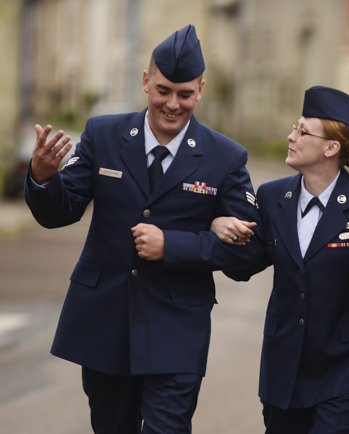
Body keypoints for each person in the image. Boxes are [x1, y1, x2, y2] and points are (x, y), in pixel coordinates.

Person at [24, 25, 262, 434]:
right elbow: (59, 212)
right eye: (164, 90)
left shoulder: (225, 157)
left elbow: (247, 254)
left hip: (177, 329)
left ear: (200, 90)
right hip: (104, 323)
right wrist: (43, 178)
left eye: (185, 94)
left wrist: (175, 245)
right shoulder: (104, 135)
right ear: (146, 81)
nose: (172, 104)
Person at [211, 85, 349, 434]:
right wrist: (219, 225)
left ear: (332, 147)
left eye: (302, 131)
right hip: (285, 364)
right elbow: (245, 265)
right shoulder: (273, 196)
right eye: (295, 126)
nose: (291, 136)